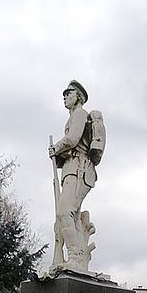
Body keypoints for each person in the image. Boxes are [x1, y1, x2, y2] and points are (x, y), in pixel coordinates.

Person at [48, 80, 97, 272]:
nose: (65, 97)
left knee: (64, 211)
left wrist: (56, 148)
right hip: (71, 168)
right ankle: (76, 258)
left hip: (79, 168)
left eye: (68, 94)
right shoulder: (72, 117)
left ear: (78, 96)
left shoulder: (80, 114)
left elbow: (73, 139)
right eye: (64, 95)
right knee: (72, 215)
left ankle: (75, 256)